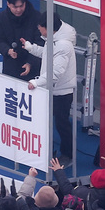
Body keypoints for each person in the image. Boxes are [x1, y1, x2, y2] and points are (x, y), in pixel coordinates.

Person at [25, 11, 77, 162]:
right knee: (50, 122)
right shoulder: (54, 39)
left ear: (47, 27)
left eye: (40, 27)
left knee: (62, 125)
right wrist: (31, 48)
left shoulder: (63, 45)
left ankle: (68, 155)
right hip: (52, 89)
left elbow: (55, 73)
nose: (39, 30)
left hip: (62, 92)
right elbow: (47, 54)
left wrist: (36, 82)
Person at [0, 0, 41, 80]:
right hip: (11, 65)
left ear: (25, 3)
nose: (18, 10)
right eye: (15, 7)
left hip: (34, 67)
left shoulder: (36, 17)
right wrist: (8, 50)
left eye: (21, 6)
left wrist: (30, 63)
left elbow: (40, 42)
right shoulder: (1, 18)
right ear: (8, 4)